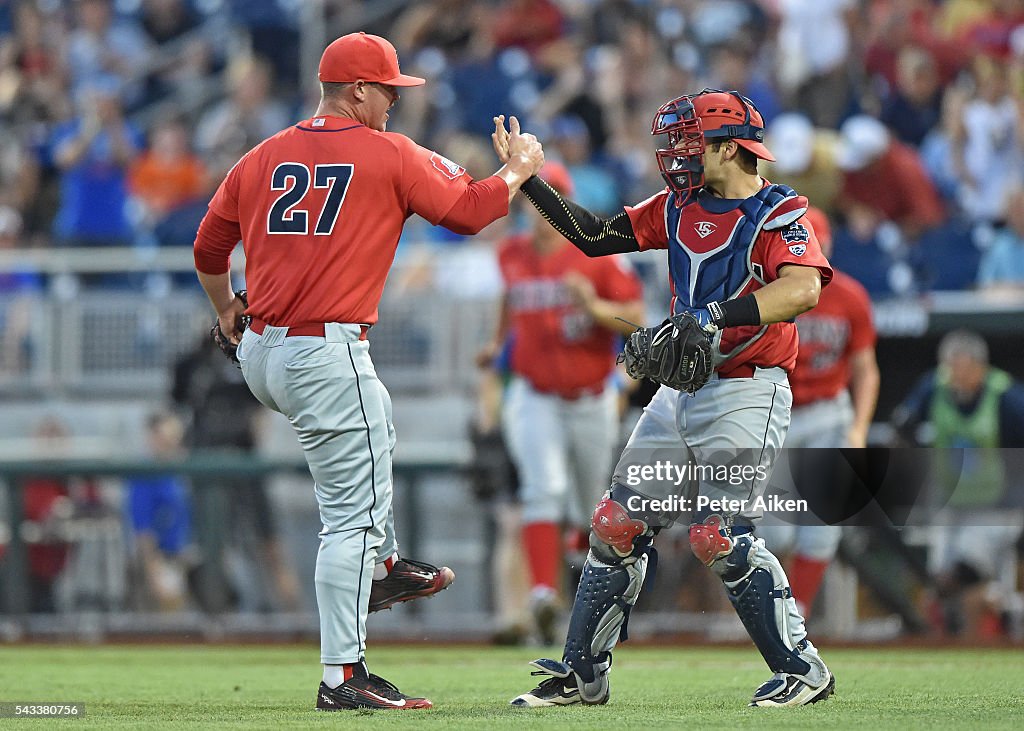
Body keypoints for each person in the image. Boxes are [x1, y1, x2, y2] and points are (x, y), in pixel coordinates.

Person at [193, 32, 544, 711]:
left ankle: (382, 567)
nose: (393, 101)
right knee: (347, 516)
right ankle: (342, 676)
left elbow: (208, 248)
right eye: (387, 89)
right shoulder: (387, 151)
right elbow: (470, 211)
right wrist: (519, 170)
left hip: (264, 348)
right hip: (323, 347)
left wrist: (226, 307)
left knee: (376, 427)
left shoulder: (262, 155)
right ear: (357, 89)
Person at [496, 88, 836, 708]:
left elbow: (803, 289)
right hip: (682, 391)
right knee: (615, 524)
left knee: (718, 535)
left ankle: (803, 670)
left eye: (688, 139)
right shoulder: (679, 205)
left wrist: (713, 315)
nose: (675, 152)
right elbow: (596, 235)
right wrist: (528, 180)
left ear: (730, 147)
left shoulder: (777, 210)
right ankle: (582, 676)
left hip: (746, 391)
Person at [479, 161, 644, 645]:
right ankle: (543, 594)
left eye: (547, 199)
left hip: (591, 395)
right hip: (534, 394)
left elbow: (638, 320)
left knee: (586, 507)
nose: (536, 210)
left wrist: (593, 307)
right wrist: (496, 342)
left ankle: (577, 584)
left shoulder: (598, 254)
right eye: (530, 200)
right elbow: (509, 302)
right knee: (541, 488)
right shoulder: (511, 253)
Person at [757, 207, 879, 619]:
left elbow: (865, 369)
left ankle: (798, 614)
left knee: (823, 522)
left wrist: (858, 428)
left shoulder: (849, 296)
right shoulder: (768, 290)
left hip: (828, 411)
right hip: (779, 411)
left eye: (815, 244)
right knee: (772, 528)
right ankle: (770, 613)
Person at [892, 330, 1024, 638]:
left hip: (996, 506)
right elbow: (903, 428)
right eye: (950, 368)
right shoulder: (934, 386)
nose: (955, 377)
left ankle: (985, 632)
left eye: (961, 368)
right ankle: (988, 620)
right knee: (939, 579)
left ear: (980, 367)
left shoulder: (1005, 396)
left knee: (964, 573)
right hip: (948, 502)